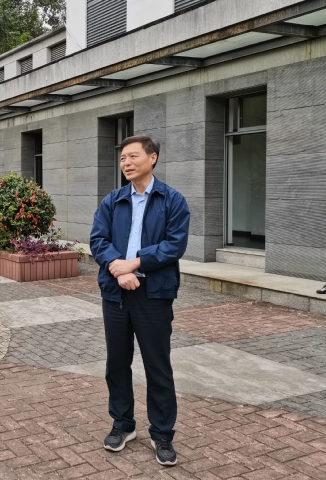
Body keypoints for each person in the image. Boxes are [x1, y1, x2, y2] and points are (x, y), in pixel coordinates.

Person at [89, 135, 190, 467]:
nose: (126, 163)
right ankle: (123, 424)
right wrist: (119, 270)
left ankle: (162, 433)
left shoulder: (172, 200)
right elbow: (98, 240)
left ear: (153, 158)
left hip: (154, 294)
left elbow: (174, 245)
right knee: (117, 363)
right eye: (122, 159)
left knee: (157, 366)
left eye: (133, 156)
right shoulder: (112, 200)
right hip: (116, 293)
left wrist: (135, 263)